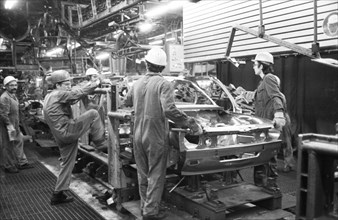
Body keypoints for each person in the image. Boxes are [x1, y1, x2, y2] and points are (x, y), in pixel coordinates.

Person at [124, 47, 203, 220]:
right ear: (162, 67)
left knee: (142, 173)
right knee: (156, 174)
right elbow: (169, 110)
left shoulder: (136, 83)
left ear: (146, 64)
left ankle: (146, 206)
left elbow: (127, 100)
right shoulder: (164, 84)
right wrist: (190, 123)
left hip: (137, 134)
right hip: (155, 136)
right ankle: (151, 213)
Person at [43, 70, 108, 205]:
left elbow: (74, 92)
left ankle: (58, 194)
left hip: (60, 135)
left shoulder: (49, 96)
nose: (68, 86)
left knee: (67, 163)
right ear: (57, 85)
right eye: (66, 84)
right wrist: (95, 82)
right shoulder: (58, 94)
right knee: (93, 114)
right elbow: (75, 94)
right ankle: (101, 144)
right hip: (67, 131)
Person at [251, 52, 287, 191]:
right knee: (261, 155)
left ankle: (271, 186)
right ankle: (260, 186)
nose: (253, 67)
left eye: (255, 64)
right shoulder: (262, 82)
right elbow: (260, 96)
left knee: (270, 155)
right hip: (262, 124)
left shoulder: (268, 78)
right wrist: (243, 94)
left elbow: (276, 97)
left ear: (261, 65)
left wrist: (279, 115)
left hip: (269, 124)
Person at [0, 76, 34, 173]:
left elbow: (15, 108)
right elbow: (3, 114)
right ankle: (8, 166)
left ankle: (22, 162)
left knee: (19, 142)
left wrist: (24, 106)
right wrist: (9, 126)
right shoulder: (4, 98)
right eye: (11, 85)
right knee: (8, 146)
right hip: (9, 126)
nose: (14, 87)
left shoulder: (13, 96)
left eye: (15, 85)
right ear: (6, 86)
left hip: (15, 124)